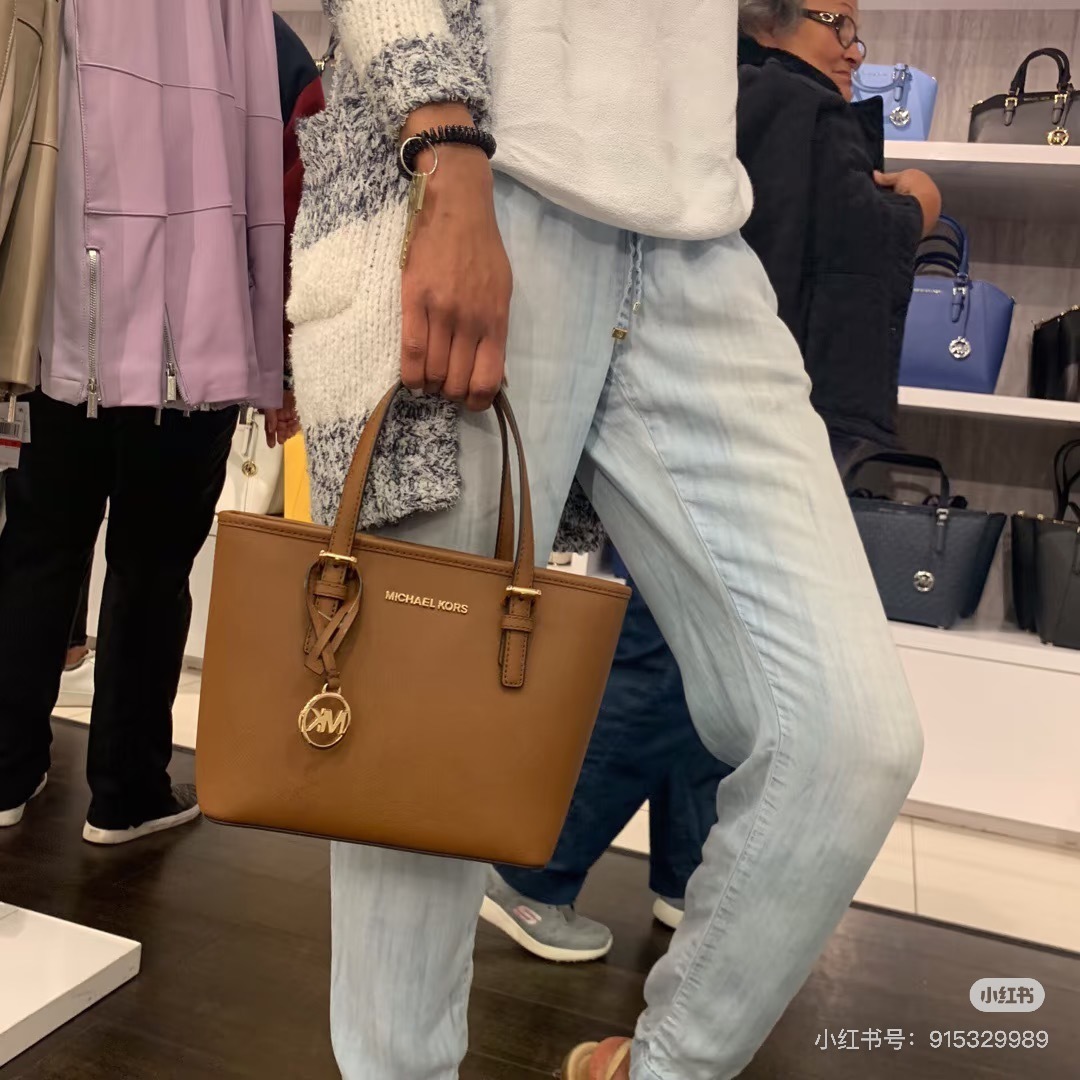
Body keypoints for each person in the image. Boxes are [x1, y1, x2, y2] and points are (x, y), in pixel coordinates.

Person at [288, 2, 924, 1078]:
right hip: (485, 176)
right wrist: (443, 148)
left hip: (698, 231)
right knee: (422, 760)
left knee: (851, 738)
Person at [479, 0, 942, 967]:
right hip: (734, 417)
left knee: (705, 670)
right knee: (664, 662)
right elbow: (837, 256)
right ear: (769, 20)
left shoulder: (725, 103)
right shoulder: (793, 109)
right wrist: (917, 209)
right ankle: (533, 871)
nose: (853, 49)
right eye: (836, 22)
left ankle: (688, 874)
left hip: (705, 404)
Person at [0, 0, 284, 840]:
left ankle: (6, 771)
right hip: (189, 337)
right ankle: (126, 791)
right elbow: (261, 149)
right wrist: (268, 354)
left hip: (59, 318)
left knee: (37, 552)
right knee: (154, 569)